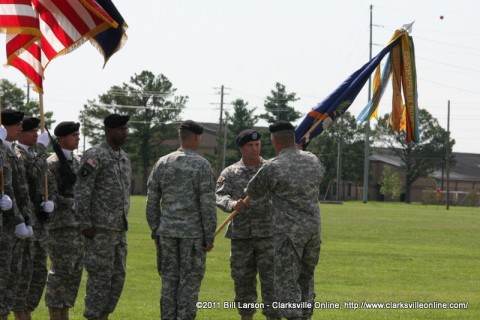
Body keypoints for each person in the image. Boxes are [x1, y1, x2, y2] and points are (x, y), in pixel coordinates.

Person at [245, 121, 325, 320]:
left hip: (289, 232)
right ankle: (305, 315)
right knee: (306, 278)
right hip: (313, 231)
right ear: (294, 138)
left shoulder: (274, 166)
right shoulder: (313, 160)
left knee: (286, 281)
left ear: (274, 141)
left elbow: (252, 190)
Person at [146, 120, 217, 320]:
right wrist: (209, 235)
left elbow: (151, 201)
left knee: (168, 283)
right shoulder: (202, 165)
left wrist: (155, 230)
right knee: (189, 284)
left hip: (167, 233)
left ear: (181, 137)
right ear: (196, 138)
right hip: (192, 235)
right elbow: (207, 204)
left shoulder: (162, 163)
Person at [215, 129, 277, 320]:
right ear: (241, 148)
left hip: (269, 235)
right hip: (241, 237)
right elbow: (219, 195)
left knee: (272, 281)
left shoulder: (271, 169)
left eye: (257, 145)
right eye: (249, 145)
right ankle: (246, 316)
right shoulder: (231, 173)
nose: (254, 149)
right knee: (243, 281)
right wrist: (233, 204)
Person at [75, 114, 131, 320]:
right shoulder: (94, 155)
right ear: (108, 131)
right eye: (120, 129)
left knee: (117, 278)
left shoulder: (124, 157)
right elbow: (82, 190)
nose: (125, 132)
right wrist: (85, 223)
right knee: (100, 278)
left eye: (126, 128)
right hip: (98, 230)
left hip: (119, 229)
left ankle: (103, 316)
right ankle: (93, 316)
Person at [12, 116, 52, 320]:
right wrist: (42, 150)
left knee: (38, 273)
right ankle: (20, 313)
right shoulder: (18, 154)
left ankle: (27, 311)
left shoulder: (33, 154)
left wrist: (47, 202)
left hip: (39, 221)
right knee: (25, 273)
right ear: (22, 134)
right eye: (32, 131)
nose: (37, 134)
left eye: (38, 131)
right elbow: (35, 173)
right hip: (27, 222)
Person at [45, 121, 83, 320]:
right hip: (61, 227)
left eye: (78, 134)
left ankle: (64, 313)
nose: (78, 137)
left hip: (78, 227)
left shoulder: (78, 161)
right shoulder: (51, 164)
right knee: (60, 272)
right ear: (61, 139)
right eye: (74, 135)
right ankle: (55, 315)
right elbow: (50, 197)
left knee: (74, 273)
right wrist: (72, 202)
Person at [0, 109, 35, 320]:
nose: (21, 128)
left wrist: (25, 219)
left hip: (13, 224)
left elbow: (20, 191)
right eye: (19, 125)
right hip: (5, 226)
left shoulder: (10, 151)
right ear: (7, 126)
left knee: (12, 279)